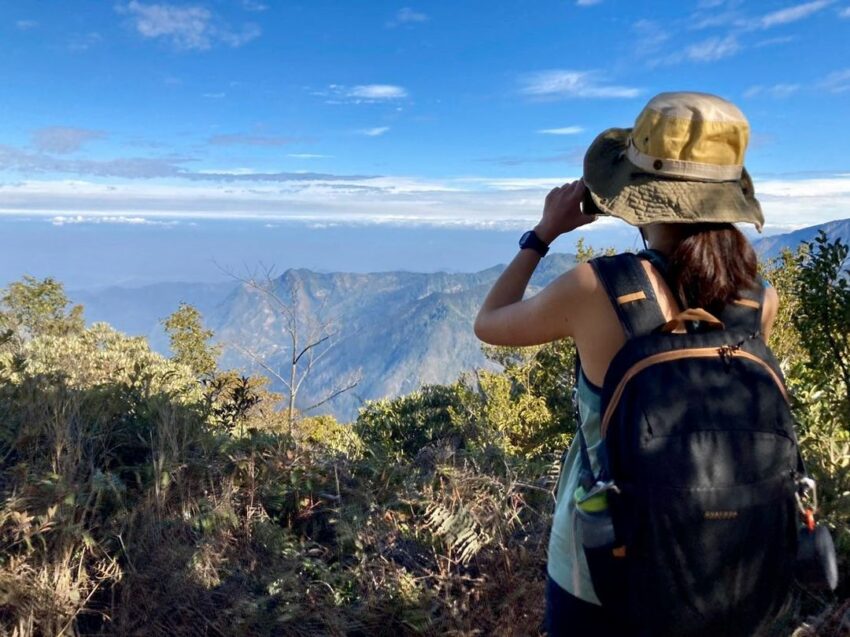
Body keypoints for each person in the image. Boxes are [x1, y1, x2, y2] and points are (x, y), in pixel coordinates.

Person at [474, 92, 780, 636]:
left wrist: (543, 234)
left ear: (636, 194)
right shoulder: (760, 299)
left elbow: (490, 321)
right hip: (728, 560)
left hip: (601, 565)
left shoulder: (597, 289)